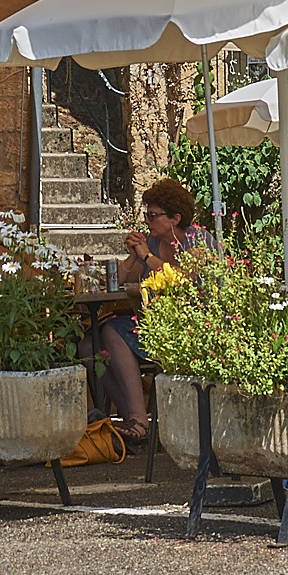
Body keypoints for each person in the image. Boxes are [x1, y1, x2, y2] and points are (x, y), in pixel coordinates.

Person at [98, 177, 201, 442]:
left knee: (111, 331)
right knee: (91, 346)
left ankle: (139, 420)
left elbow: (182, 278)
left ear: (175, 218)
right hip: (155, 325)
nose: (147, 221)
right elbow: (120, 280)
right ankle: (134, 420)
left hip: (189, 330)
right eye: (146, 215)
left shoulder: (196, 242)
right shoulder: (153, 244)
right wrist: (134, 254)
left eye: (153, 215)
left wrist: (145, 256)